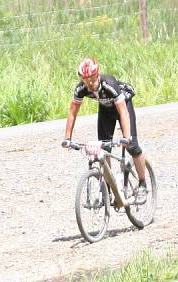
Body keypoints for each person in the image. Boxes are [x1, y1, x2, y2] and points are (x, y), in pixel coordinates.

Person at [62, 58, 148, 200]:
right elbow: (72, 112)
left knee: (132, 146)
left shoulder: (109, 84)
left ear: (98, 74)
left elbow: (123, 112)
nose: (90, 82)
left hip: (123, 107)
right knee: (103, 149)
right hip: (106, 110)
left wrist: (126, 138)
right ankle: (108, 190)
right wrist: (67, 138)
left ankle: (143, 184)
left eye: (93, 78)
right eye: (86, 79)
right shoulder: (81, 89)